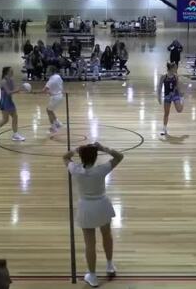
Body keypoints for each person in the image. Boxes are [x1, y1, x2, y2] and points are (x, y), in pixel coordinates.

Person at [63, 142, 124, 288]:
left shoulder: (75, 170)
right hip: (102, 205)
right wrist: (103, 148)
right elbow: (119, 156)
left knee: (90, 244)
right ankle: (109, 266)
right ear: (96, 157)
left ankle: (92, 275)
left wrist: (76, 150)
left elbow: (65, 157)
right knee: (106, 234)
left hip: (86, 208)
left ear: (81, 157)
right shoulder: (101, 170)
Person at [0, 67, 25, 142]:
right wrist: (17, 90)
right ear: (6, 72)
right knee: (5, 120)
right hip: (4, 102)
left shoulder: (11, 80)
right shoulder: (3, 81)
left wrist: (20, 90)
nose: (12, 72)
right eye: (11, 71)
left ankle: (15, 135)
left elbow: (13, 90)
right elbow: (8, 92)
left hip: (10, 101)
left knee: (15, 117)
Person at [158, 62, 184, 136]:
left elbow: (178, 86)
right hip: (167, 96)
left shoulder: (176, 76)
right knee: (166, 113)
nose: (176, 69)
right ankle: (164, 129)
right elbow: (159, 87)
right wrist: (159, 97)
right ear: (171, 68)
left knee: (179, 110)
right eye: (175, 68)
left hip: (175, 95)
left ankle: (182, 100)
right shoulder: (163, 76)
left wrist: (180, 95)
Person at [42, 65, 64, 134]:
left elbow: (44, 90)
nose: (47, 71)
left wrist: (46, 91)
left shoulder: (51, 80)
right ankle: (58, 123)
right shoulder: (58, 76)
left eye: (48, 70)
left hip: (55, 97)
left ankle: (53, 128)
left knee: (48, 111)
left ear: (51, 71)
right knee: (51, 110)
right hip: (60, 96)